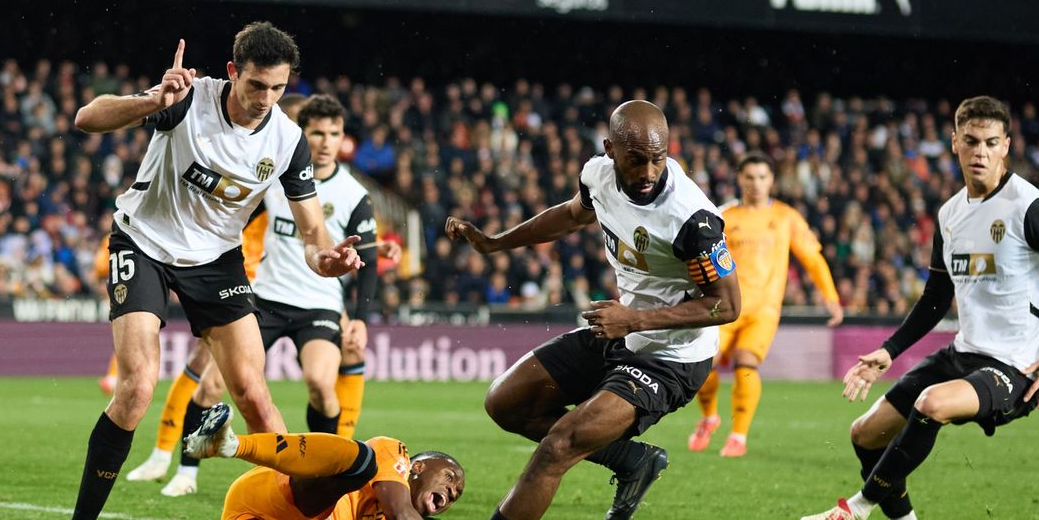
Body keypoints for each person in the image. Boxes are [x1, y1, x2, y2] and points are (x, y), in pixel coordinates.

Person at [70, 23, 364, 519]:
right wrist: (151, 102)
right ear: (233, 72)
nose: (266, 98)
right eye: (256, 85)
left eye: (278, 87)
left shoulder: (289, 141)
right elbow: (86, 117)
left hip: (215, 261)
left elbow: (314, 235)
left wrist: (327, 260)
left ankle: (307, 513)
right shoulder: (187, 100)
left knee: (253, 393)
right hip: (144, 243)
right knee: (139, 385)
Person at [801, 96, 1039, 520]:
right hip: (962, 353)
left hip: (1015, 366)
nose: (980, 151)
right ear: (954, 143)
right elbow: (936, 299)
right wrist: (888, 352)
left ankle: (855, 509)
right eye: (972, 141)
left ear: (1006, 146)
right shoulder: (950, 214)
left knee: (931, 404)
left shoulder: (1030, 208)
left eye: (991, 142)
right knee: (866, 434)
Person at [446, 100, 742, 520]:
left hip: (670, 358)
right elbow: (569, 217)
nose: (648, 172)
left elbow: (727, 305)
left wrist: (634, 319)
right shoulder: (596, 175)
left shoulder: (693, 220)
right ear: (610, 149)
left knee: (558, 447)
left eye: (658, 160)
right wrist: (496, 242)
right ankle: (631, 460)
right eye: (636, 160)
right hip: (620, 331)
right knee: (504, 403)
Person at [126, 93, 387, 497]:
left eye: (333, 134)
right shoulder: (278, 173)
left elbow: (366, 255)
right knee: (212, 385)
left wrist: (360, 317)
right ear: (306, 134)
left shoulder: (354, 193)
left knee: (320, 381)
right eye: (316, 132)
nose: (324, 141)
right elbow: (233, 213)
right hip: (264, 297)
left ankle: (326, 470)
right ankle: (186, 469)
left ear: (342, 139)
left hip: (319, 303)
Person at [688, 151, 844, 458]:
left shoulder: (786, 217)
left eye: (762, 177)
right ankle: (709, 417)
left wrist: (831, 297)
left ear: (771, 180)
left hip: (764, 310)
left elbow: (812, 258)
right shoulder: (725, 217)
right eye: (750, 177)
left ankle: (738, 435)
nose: (756, 183)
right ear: (739, 179)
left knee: (747, 362)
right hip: (725, 306)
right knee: (703, 365)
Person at [184, 403, 463, 519]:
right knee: (362, 461)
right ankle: (234, 444)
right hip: (273, 499)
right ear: (418, 467)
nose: (452, 492)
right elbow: (400, 512)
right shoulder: (394, 453)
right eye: (450, 477)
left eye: (456, 495)